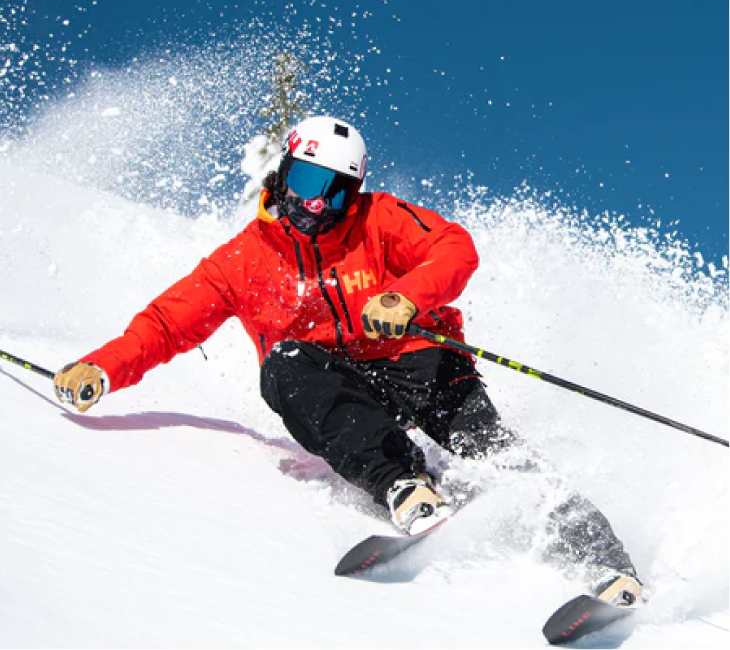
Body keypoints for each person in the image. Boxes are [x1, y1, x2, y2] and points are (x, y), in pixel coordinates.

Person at [54, 115, 643, 605]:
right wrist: (101, 368)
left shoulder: (378, 218)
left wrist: (407, 296)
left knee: (495, 451)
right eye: (307, 179)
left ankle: (609, 568)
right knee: (283, 363)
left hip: (422, 363)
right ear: (282, 172)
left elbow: (453, 247)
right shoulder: (241, 261)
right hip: (338, 385)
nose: (316, 201)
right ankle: (404, 483)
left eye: (334, 189)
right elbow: (166, 323)